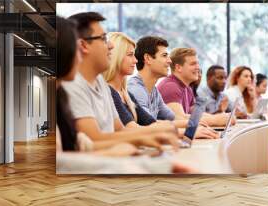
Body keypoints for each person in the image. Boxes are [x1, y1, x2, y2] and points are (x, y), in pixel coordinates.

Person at [56, 16, 179, 155]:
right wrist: (141, 139)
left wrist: (151, 136)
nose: (110, 46)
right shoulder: (73, 85)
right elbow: (93, 140)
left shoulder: (102, 83)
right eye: (103, 38)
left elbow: (120, 129)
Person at [128, 36, 218, 139]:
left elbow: (172, 118)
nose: (170, 61)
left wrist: (195, 124)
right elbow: (149, 125)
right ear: (148, 59)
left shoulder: (154, 90)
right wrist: (188, 130)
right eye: (164, 55)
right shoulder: (136, 89)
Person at [157, 47, 233, 126]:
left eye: (197, 63)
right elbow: (179, 120)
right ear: (178, 67)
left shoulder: (188, 88)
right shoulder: (170, 87)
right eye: (193, 64)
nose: (198, 68)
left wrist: (221, 117)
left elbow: (196, 115)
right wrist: (215, 120)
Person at [102, 32, 157, 127]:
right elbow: (132, 128)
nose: (135, 60)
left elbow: (151, 122)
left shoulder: (126, 94)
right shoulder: (109, 92)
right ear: (116, 56)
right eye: (130, 54)